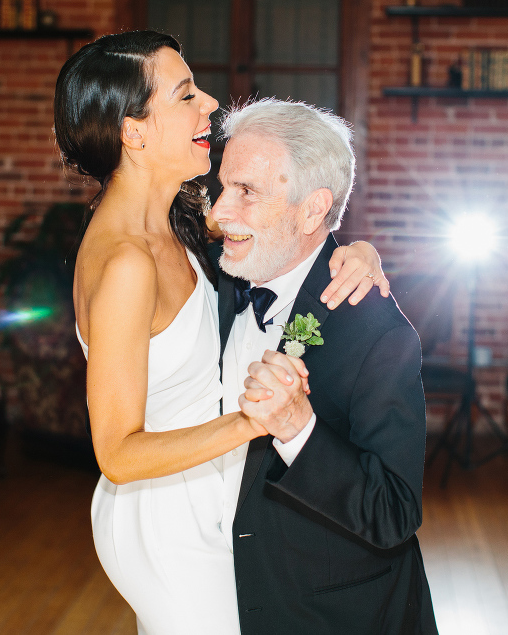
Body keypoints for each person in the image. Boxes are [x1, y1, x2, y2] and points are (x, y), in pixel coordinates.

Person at [53, 31, 388, 634]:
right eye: (186, 95)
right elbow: (117, 452)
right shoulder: (126, 262)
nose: (210, 104)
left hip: (210, 497)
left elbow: (285, 228)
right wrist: (254, 420)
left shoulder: (175, 219)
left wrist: (356, 251)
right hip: (160, 517)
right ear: (135, 131)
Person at [211, 99, 438, 634]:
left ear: (313, 210)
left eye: (247, 192)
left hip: (337, 616)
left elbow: (394, 514)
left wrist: (297, 428)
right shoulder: (222, 274)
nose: (221, 211)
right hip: (223, 598)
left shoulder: (377, 333)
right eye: (223, 187)